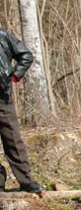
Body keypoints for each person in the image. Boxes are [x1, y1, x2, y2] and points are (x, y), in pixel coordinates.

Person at [0, 29, 44, 193]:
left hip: (3, 98)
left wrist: (14, 75)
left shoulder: (4, 36)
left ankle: (26, 181)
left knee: (12, 140)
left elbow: (26, 55)